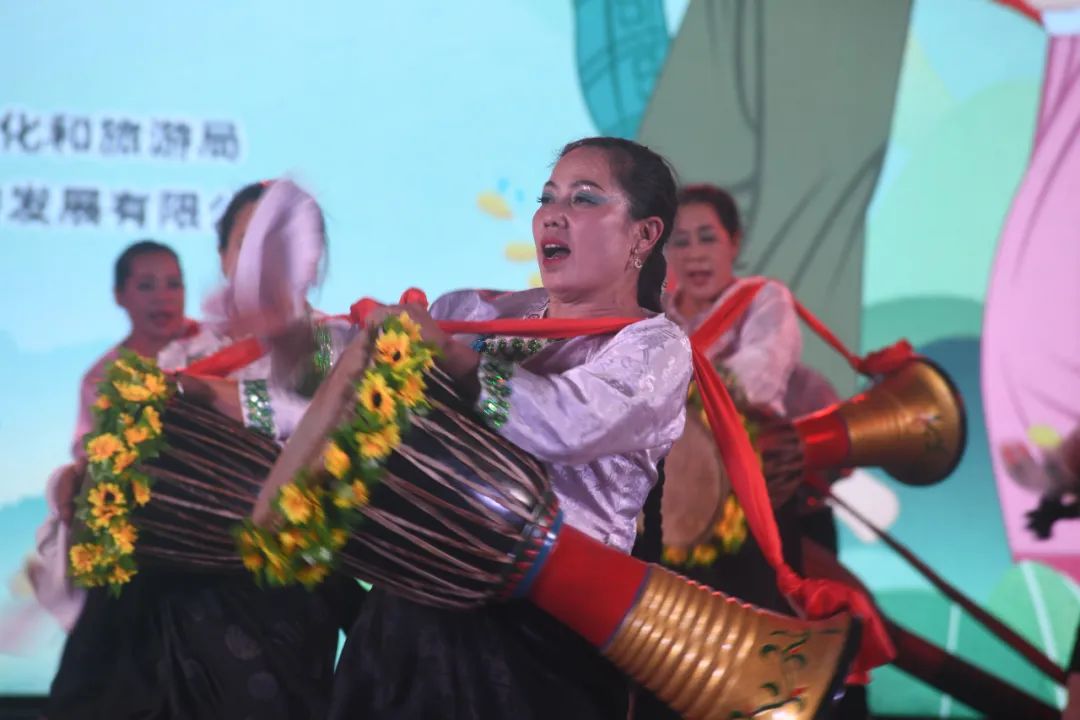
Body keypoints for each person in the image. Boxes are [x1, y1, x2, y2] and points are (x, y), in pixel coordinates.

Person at [328, 137, 692, 719]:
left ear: (644, 235)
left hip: (540, 632)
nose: (552, 215)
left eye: (584, 199)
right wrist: (295, 338)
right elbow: (350, 358)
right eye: (547, 198)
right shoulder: (486, 313)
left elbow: (564, 423)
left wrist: (450, 356)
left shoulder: (654, 346)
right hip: (417, 603)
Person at [43, 181, 363, 720]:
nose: (265, 260)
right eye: (248, 243)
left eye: (282, 245)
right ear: (223, 257)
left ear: (312, 259)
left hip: (277, 593)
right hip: (168, 592)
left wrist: (209, 394)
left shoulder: (337, 345)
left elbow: (319, 424)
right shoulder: (184, 352)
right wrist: (78, 481)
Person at [26, 240, 194, 633]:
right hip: (145, 536)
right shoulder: (101, 377)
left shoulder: (217, 344)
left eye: (173, 284)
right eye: (147, 285)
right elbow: (91, 460)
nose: (163, 297)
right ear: (119, 296)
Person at [660, 183, 804, 611]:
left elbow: (756, 377)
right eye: (681, 242)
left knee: (755, 619)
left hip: (749, 493)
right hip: (667, 501)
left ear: (734, 243)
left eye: (707, 238)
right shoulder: (653, 315)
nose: (694, 254)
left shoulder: (763, 299)